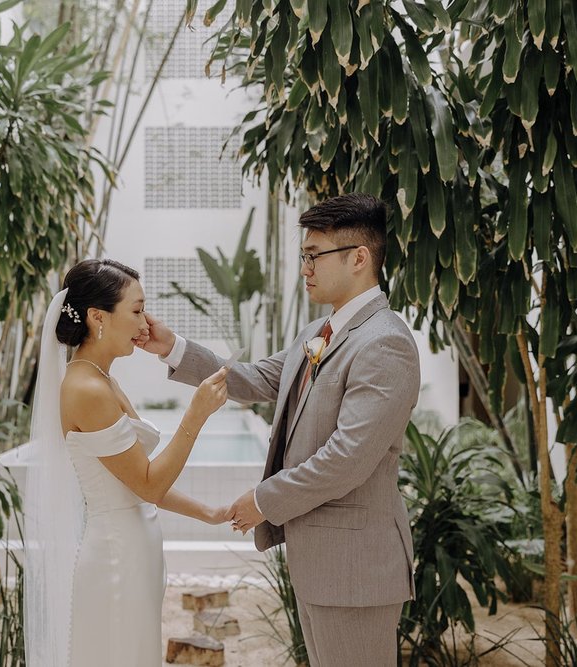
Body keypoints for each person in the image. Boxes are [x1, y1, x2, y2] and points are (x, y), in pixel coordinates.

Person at [142, 193, 421, 666]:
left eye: (315, 256)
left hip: (356, 570)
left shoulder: (385, 342)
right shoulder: (319, 331)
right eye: (303, 257)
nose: (305, 268)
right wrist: (172, 347)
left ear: (359, 258)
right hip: (322, 564)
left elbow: (346, 459)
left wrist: (263, 500)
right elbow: (254, 378)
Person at [23, 258, 229, 667]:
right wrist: (196, 414)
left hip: (135, 548)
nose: (144, 323)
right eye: (136, 310)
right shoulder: (85, 388)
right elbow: (148, 483)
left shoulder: (102, 378)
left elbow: (134, 482)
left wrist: (208, 512)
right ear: (98, 317)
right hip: (116, 556)